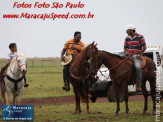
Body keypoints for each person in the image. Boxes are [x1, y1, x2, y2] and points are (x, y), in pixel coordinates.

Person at [124, 25, 146, 90]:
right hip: (128, 56)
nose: (126, 31)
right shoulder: (127, 38)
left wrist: (139, 54)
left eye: (127, 30)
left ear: (131, 30)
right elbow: (125, 48)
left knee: (137, 67)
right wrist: (126, 52)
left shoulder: (140, 37)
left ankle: (139, 84)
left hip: (136, 55)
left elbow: (144, 47)